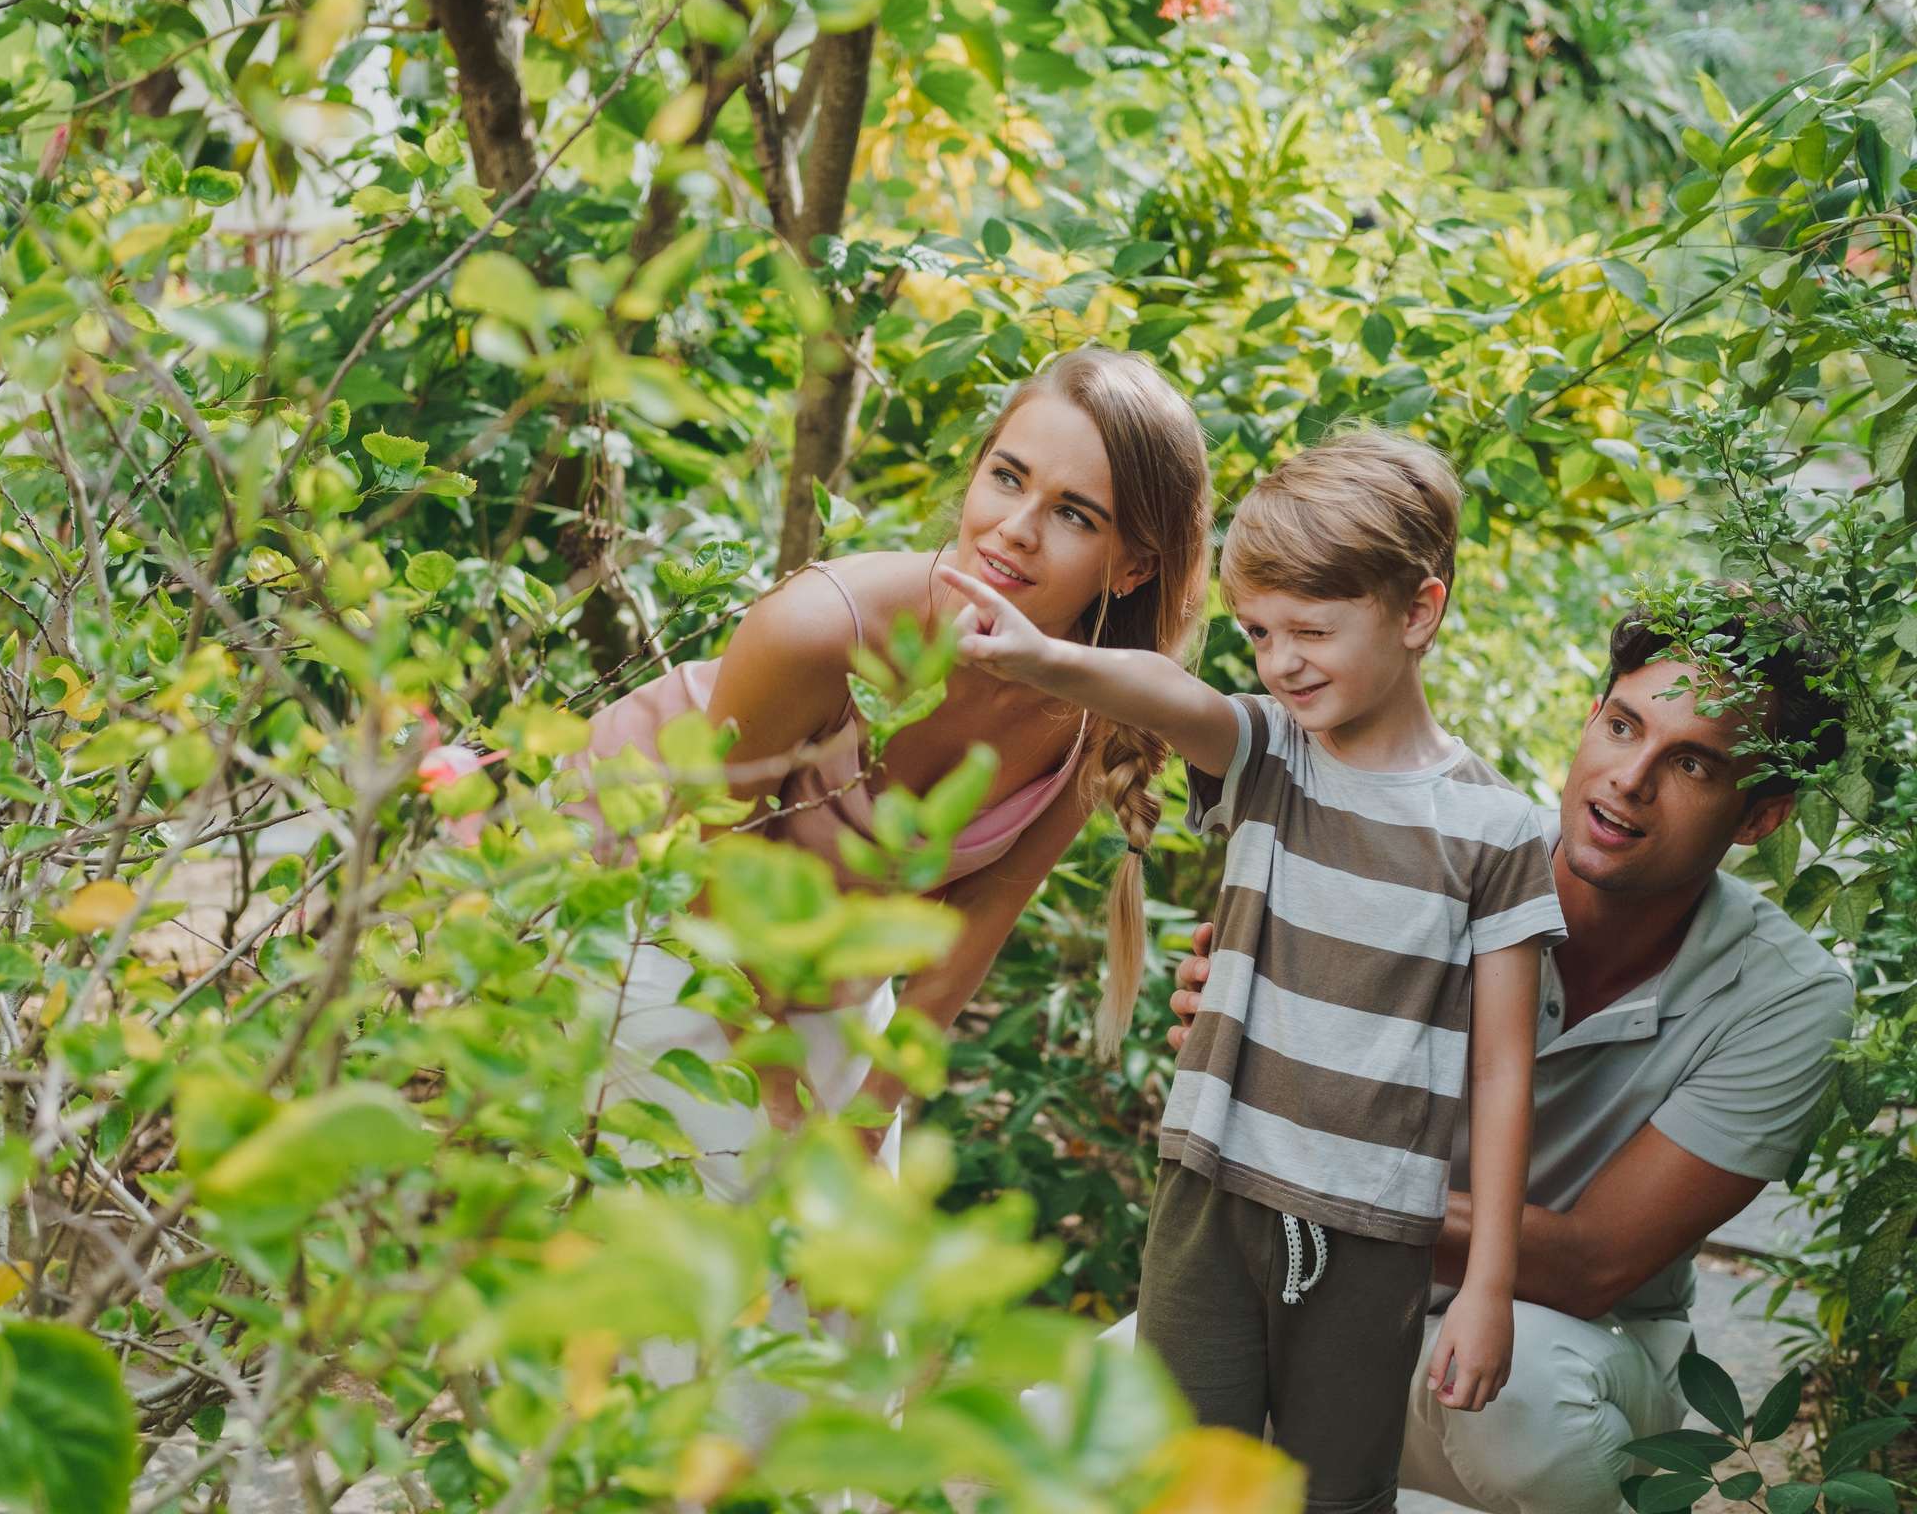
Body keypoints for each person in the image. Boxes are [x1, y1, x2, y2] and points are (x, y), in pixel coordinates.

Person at [945, 427, 1565, 1514]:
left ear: (1417, 612)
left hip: (1372, 1237)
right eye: (1257, 632)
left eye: (1311, 632)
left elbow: (1503, 1072)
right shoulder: (1267, 754)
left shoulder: (1496, 830)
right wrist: (1041, 657)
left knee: (1335, 1492)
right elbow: (1160, 691)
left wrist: (1487, 1285)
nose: (1280, 662)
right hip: (1209, 1198)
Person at [1162, 602, 1855, 1514]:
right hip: (1330, 1280)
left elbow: (1593, 1263)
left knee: (1527, 1409)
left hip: (1567, 1344)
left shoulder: (1789, 994)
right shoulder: (1442, 848)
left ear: (1761, 816)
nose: (1629, 781)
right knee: (1096, 1415)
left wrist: (1288, 1140)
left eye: (1691, 763)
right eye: (1621, 725)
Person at [568, 344, 1213, 1196]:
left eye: (1075, 515)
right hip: (647, 917)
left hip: (829, 981)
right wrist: (781, 1099)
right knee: (742, 1221)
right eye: (1007, 478)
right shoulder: (820, 629)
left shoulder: (1096, 713)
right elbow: (702, 871)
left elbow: (974, 930)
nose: (1016, 528)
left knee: (846, 1279)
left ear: (1132, 567)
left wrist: (864, 1127)